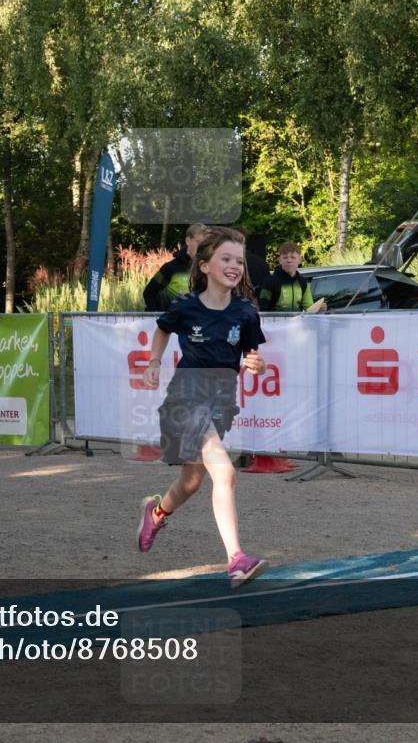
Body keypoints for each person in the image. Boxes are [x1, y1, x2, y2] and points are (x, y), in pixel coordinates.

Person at [138, 226, 269, 588]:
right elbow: (163, 329)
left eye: (239, 261)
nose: (235, 266)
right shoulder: (186, 306)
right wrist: (153, 362)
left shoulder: (245, 312)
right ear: (206, 265)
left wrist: (258, 364)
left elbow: (254, 355)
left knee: (193, 481)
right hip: (187, 397)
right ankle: (237, 560)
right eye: (226, 259)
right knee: (224, 473)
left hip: (220, 401)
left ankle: (157, 512)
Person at [142, 223, 208, 312]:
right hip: (169, 322)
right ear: (188, 240)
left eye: (205, 244)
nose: (202, 247)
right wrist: (159, 317)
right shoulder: (169, 268)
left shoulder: (208, 269)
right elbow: (149, 293)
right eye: (199, 242)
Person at [258, 242, 327, 313]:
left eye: (293, 257)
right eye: (285, 257)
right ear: (279, 260)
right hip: (275, 323)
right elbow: (262, 310)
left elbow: (309, 309)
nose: (289, 260)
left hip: (297, 324)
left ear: (299, 260)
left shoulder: (302, 282)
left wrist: (319, 309)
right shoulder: (270, 281)